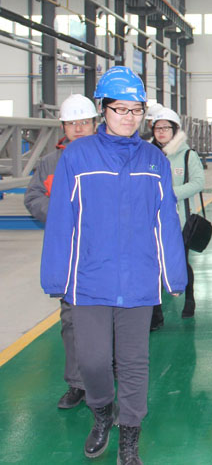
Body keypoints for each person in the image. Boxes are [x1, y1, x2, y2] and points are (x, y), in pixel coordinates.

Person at [40, 66, 187, 463]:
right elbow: (62, 221)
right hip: (89, 279)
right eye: (120, 109)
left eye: (136, 110)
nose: (129, 117)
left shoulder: (153, 160)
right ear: (103, 109)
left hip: (139, 279)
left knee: (135, 362)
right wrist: (56, 276)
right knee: (92, 361)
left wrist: (173, 275)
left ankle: (130, 437)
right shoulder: (78, 157)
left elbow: (165, 220)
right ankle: (103, 411)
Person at [25, 93, 97, 410]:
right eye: (72, 123)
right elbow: (33, 198)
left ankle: (108, 375)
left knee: (111, 318)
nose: (78, 128)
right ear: (63, 127)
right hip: (70, 255)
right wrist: (61, 213)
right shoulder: (49, 164)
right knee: (71, 320)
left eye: (84, 122)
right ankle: (77, 383)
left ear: (95, 124)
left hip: (105, 253)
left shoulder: (110, 158)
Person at [150, 107, 205, 330]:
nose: (161, 132)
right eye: (157, 128)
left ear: (175, 130)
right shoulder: (147, 154)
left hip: (179, 220)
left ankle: (189, 298)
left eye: (166, 128)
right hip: (151, 221)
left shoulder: (187, 155)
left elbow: (198, 183)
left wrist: (170, 194)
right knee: (153, 264)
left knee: (180, 260)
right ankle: (155, 312)